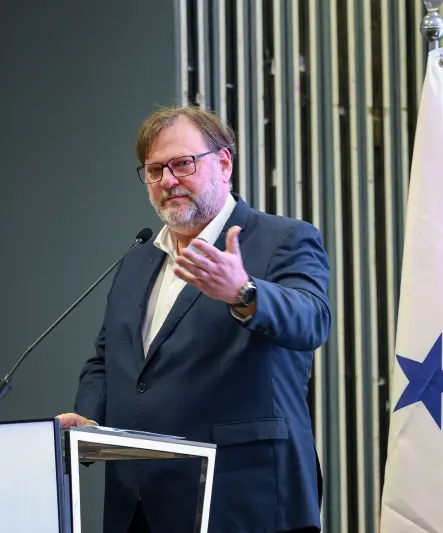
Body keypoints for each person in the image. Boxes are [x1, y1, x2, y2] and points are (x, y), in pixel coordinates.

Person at [57, 106, 330, 533]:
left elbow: (312, 320)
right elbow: (107, 360)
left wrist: (243, 292)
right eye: (155, 170)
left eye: (182, 163)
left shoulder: (284, 238)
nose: (168, 180)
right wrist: (88, 423)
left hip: (241, 500)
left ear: (224, 164)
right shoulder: (139, 260)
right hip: (139, 505)